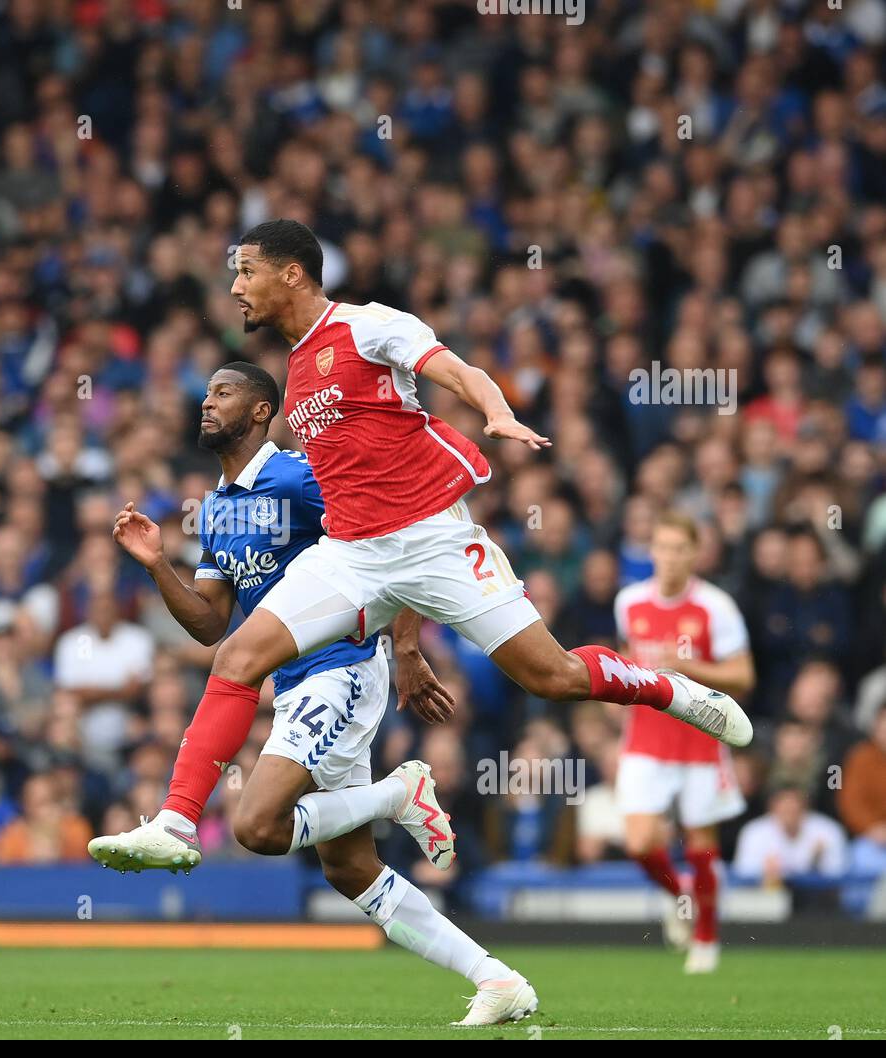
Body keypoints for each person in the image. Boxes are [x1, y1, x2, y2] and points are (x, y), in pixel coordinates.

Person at [103, 219, 752, 902]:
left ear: (291, 273)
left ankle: (671, 691)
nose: (235, 288)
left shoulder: (367, 325)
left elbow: (457, 370)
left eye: (246, 271)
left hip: (434, 539)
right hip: (352, 554)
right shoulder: (295, 378)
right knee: (236, 660)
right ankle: (176, 824)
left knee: (553, 677)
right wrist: (404, 646)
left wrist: (495, 411)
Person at [89, 361, 536, 1026]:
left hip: (343, 667)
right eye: (206, 392)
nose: (206, 403)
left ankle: (397, 794)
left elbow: (396, 540)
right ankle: (497, 979)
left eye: (223, 392)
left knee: (256, 826)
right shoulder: (218, 507)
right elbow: (213, 623)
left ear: (263, 411)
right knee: (349, 869)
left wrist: (408, 647)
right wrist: (159, 566)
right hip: (297, 682)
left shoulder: (298, 477)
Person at [613, 513, 755, 974]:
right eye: (662, 546)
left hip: (699, 741)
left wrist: (690, 669)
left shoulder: (716, 607)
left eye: (679, 548)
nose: (670, 557)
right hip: (646, 738)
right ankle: (682, 895)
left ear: (695, 553)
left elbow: (743, 676)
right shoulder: (629, 602)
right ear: (650, 550)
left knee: (701, 843)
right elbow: (627, 666)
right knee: (637, 843)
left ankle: (707, 940)